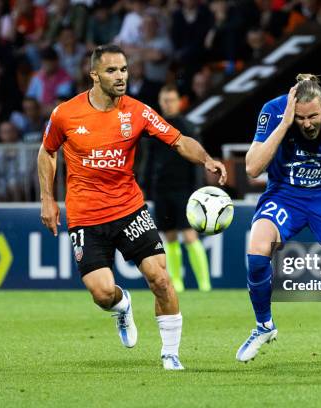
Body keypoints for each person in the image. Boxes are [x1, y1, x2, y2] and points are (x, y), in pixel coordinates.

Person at [37, 44, 226, 370]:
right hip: (85, 216)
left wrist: (207, 159)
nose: (120, 76)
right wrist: (47, 198)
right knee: (102, 293)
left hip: (129, 209)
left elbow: (179, 140)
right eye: (112, 70)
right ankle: (122, 306)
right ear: (94, 74)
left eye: (124, 69)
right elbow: (47, 152)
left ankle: (170, 354)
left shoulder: (137, 112)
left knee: (161, 279)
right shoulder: (66, 114)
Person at [237, 74, 321, 371]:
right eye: (300, 117)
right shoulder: (273, 112)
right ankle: (264, 326)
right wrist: (284, 124)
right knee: (257, 249)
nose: (308, 123)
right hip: (284, 195)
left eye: (313, 116)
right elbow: (252, 168)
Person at [143, 84, 211, 292]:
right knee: (169, 237)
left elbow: (198, 160)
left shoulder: (188, 127)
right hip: (162, 190)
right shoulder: (154, 128)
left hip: (185, 190)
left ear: (179, 101)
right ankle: (177, 284)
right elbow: (149, 160)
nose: (168, 104)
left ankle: (204, 284)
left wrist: (198, 190)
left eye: (171, 100)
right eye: (165, 100)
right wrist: (145, 186)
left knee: (189, 235)